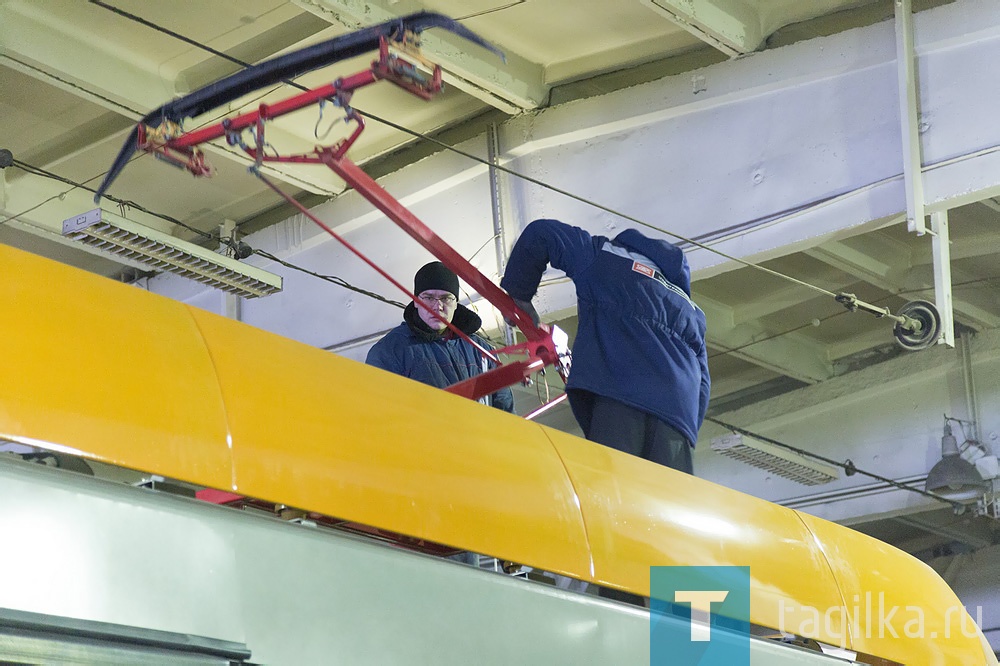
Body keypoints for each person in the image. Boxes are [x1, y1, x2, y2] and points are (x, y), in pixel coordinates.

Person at [500, 219, 709, 474]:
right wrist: (685, 428)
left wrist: (519, 295)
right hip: (676, 417)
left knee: (614, 490)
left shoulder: (605, 257)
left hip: (619, 394)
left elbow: (542, 233)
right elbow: (703, 386)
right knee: (668, 503)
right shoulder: (691, 310)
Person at [366, 261, 514, 413]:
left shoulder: (481, 351)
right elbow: (378, 414)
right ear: (416, 301)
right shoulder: (390, 351)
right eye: (429, 297)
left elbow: (507, 414)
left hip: (478, 436)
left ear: (456, 303)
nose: (438, 306)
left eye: (446, 298)